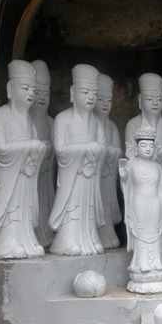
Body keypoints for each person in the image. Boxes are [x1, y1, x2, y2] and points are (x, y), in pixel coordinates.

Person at [0, 60, 47, 259]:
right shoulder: (0, 115)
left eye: (33, 90)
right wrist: (30, 146)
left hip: (25, 177)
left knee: (25, 207)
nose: (31, 94)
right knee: (12, 207)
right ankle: (7, 241)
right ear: (11, 88)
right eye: (25, 88)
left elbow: (35, 148)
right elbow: (1, 149)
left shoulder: (30, 122)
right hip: (10, 177)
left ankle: (25, 239)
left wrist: (36, 149)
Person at [120, 126, 162, 293]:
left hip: (155, 204)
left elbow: (161, 192)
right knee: (141, 233)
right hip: (139, 204)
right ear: (136, 148)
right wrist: (123, 174)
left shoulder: (157, 166)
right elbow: (126, 182)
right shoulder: (132, 163)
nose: (148, 149)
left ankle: (157, 261)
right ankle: (142, 262)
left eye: (151, 146)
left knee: (156, 233)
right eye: (144, 145)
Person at [49, 64, 107, 256]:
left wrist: (96, 150)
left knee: (88, 206)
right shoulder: (62, 119)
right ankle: (69, 238)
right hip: (72, 176)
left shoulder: (97, 123)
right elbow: (60, 150)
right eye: (85, 92)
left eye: (94, 93)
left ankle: (90, 235)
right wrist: (88, 147)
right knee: (73, 206)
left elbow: (103, 148)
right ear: (73, 92)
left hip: (90, 175)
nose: (91, 97)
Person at [124, 73, 162, 246]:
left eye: (159, 99)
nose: (155, 103)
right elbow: (129, 151)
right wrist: (143, 158)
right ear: (140, 101)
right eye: (149, 99)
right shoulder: (133, 124)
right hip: (142, 176)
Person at [93, 73, 123, 249]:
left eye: (109, 100)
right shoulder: (91, 124)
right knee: (96, 204)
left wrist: (112, 152)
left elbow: (119, 151)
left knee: (108, 205)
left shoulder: (112, 127)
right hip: (95, 176)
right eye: (101, 99)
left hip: (108, 176)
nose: (105, 104)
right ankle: (97, 233)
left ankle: (109, 232)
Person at [30, 59, 56, 248]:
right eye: (37, 93)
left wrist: (48, 150)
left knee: (46, 204)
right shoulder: (25, 121)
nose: (42, 98)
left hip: (46, 175)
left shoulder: (51, 122)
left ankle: (45, 233)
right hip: (30, 176)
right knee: (32, 204)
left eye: (46, 94)